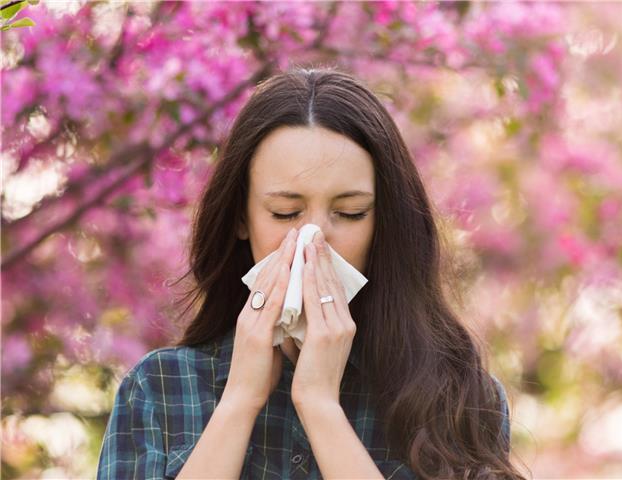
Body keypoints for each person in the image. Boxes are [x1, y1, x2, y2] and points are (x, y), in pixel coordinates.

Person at [96, 67, 523, 479]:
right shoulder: (159, 390)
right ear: (241, 217)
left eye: (350, 213)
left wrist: (320, 407)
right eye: (285, 212)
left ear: (383, 221)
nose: (314, 239)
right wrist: (240, 400)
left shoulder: (458, 399)